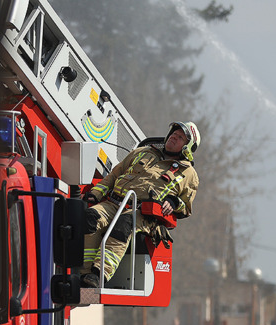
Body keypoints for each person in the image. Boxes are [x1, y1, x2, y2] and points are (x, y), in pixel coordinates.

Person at [80, 121, 200, 287]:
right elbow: (114, 174)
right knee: (90, 217)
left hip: (142, 214)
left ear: (188, 147)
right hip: (113, 203)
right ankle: (85, 274)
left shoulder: (188, 174)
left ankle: (98, 274)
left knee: (123, 225)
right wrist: (95, 193)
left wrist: (173, 202)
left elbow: (186, 207)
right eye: (174, 133)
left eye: (180, 137)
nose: (174, 137)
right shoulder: (142, 152)